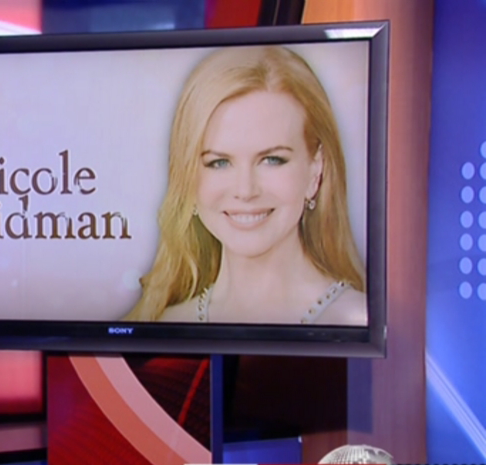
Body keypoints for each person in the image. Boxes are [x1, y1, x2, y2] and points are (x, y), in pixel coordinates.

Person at [124, 46, 366, 325]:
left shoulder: (359, 322)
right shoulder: (162, 327)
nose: (245, 190)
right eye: (219, 163)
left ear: (316, 169)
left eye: (272, 160)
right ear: (187, 176)